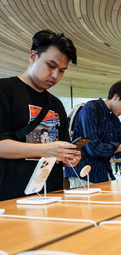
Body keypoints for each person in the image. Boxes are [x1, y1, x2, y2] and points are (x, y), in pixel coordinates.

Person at [0, 29, 81, 201]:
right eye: (51, 66)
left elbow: (61, 147)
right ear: (32, 56)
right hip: (11, 199)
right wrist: (46, 149)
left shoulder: (57, 104)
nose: (55, 75)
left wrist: (68, 158)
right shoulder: (5, 90)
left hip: (52, 196)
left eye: (62, 70)